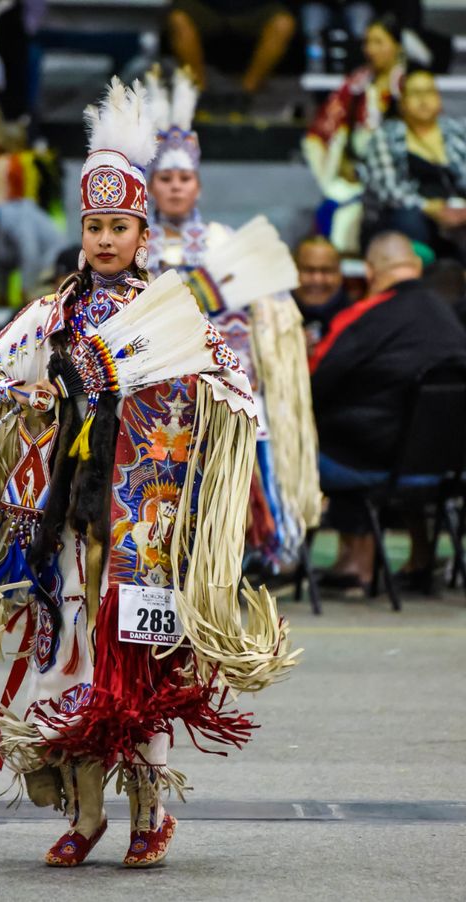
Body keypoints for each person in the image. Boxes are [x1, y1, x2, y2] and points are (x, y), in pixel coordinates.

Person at [0, 77, 297, 869]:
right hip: (67, 526)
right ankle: (86, 816)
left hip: (146, 529)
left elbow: (237, 393)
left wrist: (179, 411)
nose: (104, 240)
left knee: (143, 664)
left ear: (142, 231)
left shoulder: (174, 311)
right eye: (94, 226)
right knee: (73, 663)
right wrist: (33, 394)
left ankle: (149, 814)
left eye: (119, 226)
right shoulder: (56, 311)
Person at [145, 67, 320, 572]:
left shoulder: (224, 242)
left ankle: (261, 543)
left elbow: (271, 310)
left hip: (226, 383)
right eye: (166, 179)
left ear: (197, 185)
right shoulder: (133, 244)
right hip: (154, 384)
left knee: (254, 422)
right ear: (152, 186)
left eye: (184, 179)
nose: (176, 188)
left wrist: (257, 354)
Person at [310, 231, 466, 589]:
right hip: (444, 466)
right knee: (402, 426)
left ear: (370, 271)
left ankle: (349, 562)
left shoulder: (365, 315)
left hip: (370, 463)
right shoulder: (450, 319)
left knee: (304, 442)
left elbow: (316, 381)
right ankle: (419, 555)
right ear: (415, 266)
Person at [302, 14, 404, 253]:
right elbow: (327, 128)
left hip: (400, 175)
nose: (370, 50)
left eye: (379, 42)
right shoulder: (356, 85)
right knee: (331, 209)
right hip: (357, 176)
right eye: (367, 42)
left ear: (397, 46)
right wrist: (343, 162)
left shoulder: (409, 86)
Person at [359, 68, 466, 261]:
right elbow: (388, 191)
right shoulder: (385, 136)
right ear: (402, 102)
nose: (423, 100)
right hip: (406, 215)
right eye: (415, 94)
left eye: (429, 92)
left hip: (456, 214)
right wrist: (429, 208)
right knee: (409, 219)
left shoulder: (457, 133)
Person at [166, 0, 296, 106]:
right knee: (178, 19)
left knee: (283, 23)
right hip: (206, 6)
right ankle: (199, 94)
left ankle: (245, 95)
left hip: (256, 7)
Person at [293, 236, 350, 353]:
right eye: (308, 270)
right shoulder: (270, 319)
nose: (317, 280)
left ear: (340, 274)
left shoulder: (357, 320)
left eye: (326, 270)